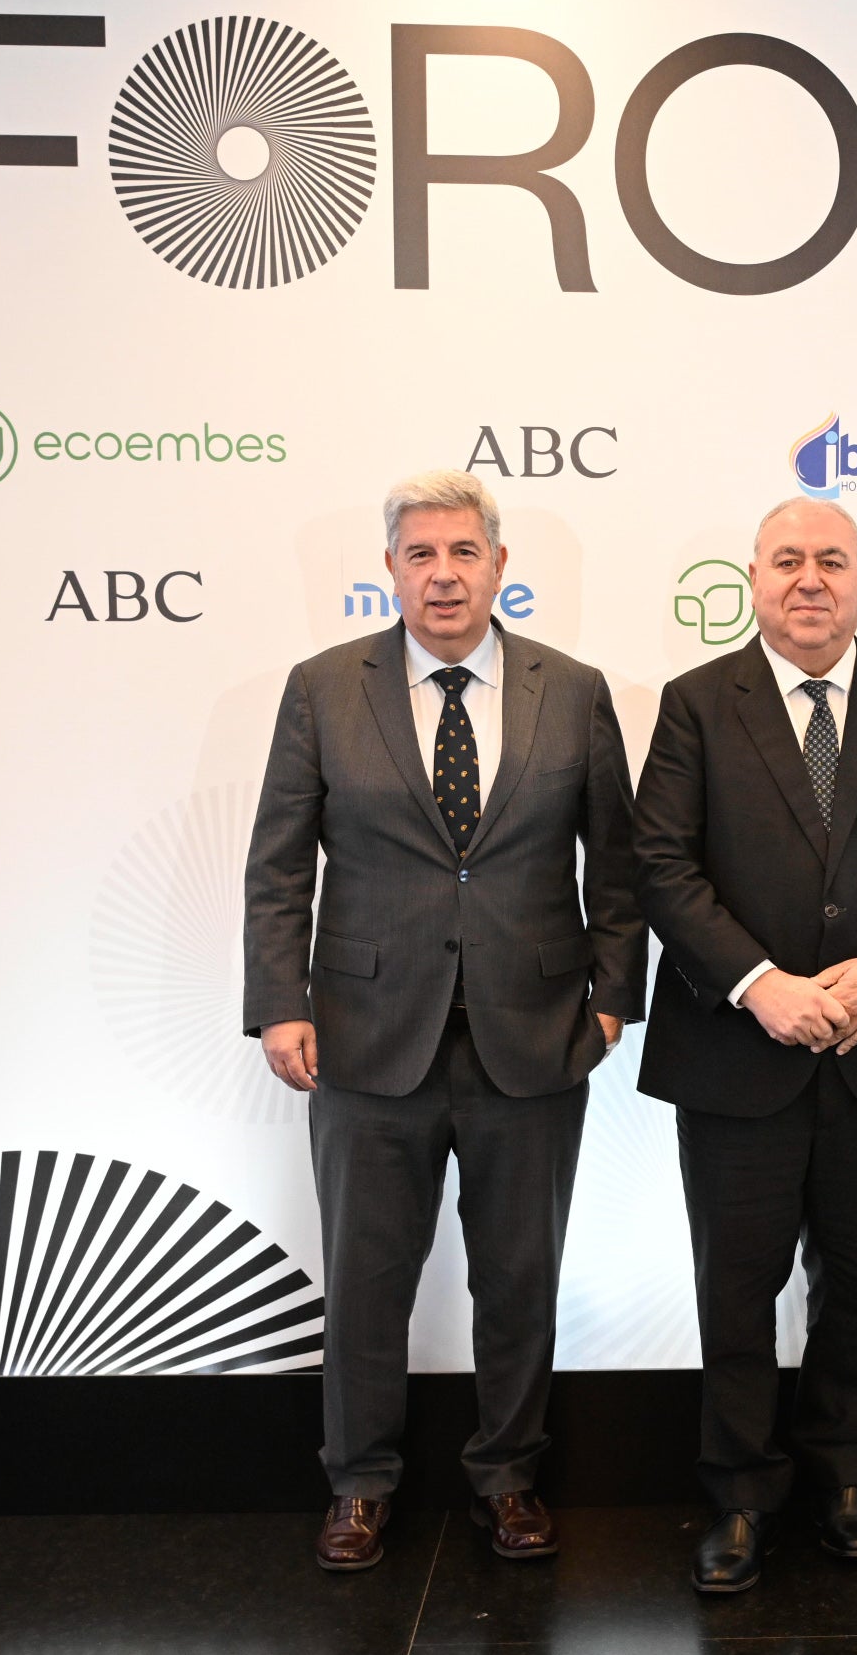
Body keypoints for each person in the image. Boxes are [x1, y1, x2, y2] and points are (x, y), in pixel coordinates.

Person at [242, 469, 644, 1572]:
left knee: (519, 1278)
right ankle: (359, 1484)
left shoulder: (573, 689)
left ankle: (509, 1478)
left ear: (500, 565)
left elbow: (616, 861)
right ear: (390, 570)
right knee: (367, 1282)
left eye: (464, 551)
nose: (444, 574)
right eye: (420, 554)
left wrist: (615, 999)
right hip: (367, 1038)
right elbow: (279, 865)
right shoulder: (325, 688)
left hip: (535, 1036)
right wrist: (279, 1005)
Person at [634, 497, 857, 1594]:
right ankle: (740, 1496)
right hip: (737, 1052)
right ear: (752, 579)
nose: (809, 579)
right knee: (736, 1285)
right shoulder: (698, 703)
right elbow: (662, 865)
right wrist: (760, 985)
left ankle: (844, 1478)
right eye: (787, 560)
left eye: (831, 561)